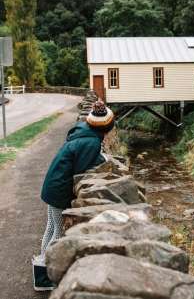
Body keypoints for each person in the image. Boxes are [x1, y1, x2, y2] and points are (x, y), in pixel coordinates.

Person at [32, 100, 114, 291]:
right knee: (58, 231)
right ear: (108, 126)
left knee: (51, 227)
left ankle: (41, 265)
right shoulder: (92, 141)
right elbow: (81, 169)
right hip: (60, 190)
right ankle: (42, 277)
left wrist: (99, 155)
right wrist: (102, 158)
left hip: (52, 185)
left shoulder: (83, 130)